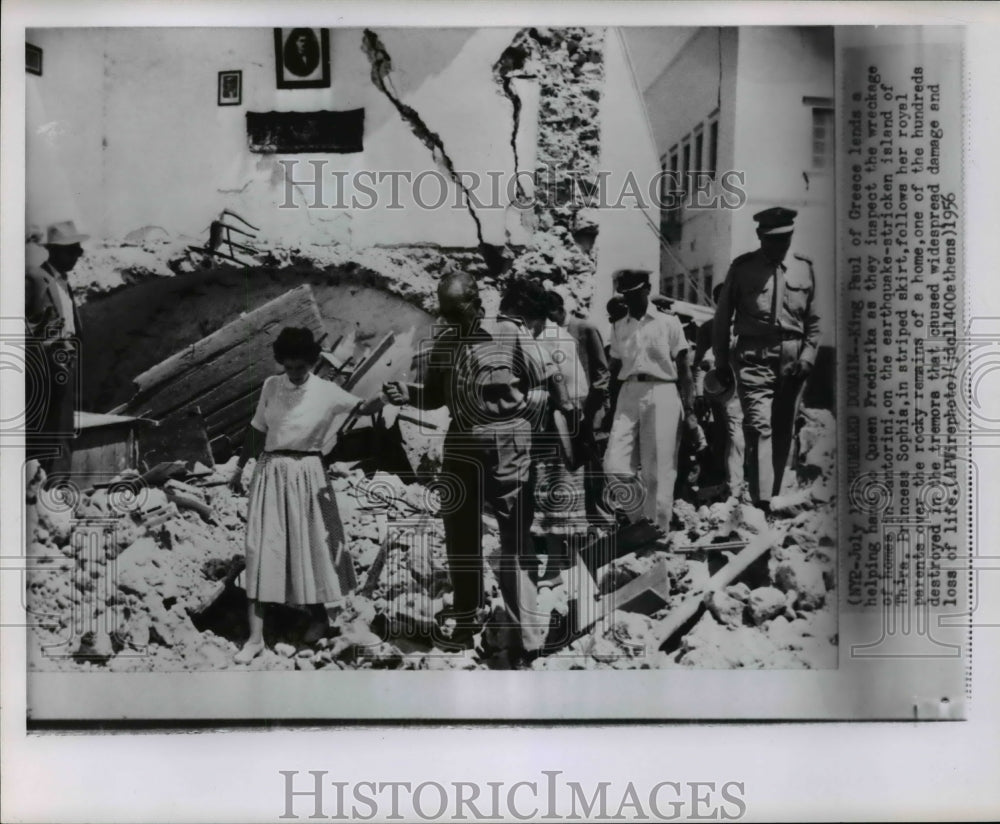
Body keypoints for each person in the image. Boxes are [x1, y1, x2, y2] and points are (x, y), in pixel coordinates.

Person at [383, 271, 553, 662]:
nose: (449, 320)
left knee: (513, 540)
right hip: (460, 444)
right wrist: (407, 394)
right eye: (444, 313)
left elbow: (543, 384)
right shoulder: (444, 342)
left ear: (478, 303)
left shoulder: (509, 334)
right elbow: (435, 397)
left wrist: (526, 429)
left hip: (505, 446)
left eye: (456, 311)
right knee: (460, 536)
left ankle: (525, 634)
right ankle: (466, 616)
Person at [228, 327, 381, 664]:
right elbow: (257, 430)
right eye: (289, 366)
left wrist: (386, 397)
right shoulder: (271, 385)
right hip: (271, 472)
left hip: (310, 474)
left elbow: (364, 408)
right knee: (263, 548)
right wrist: (239, 468)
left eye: (301, 366)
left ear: (313, 362)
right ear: (281, 362)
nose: (294, 373)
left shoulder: (327, 391)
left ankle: (320, 619)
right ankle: (255, 638)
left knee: (312, 547)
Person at [712, 206, 821, 511]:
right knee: (760, 426)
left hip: (793, 360)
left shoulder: (805, 268)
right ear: (760, 236)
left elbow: (816, 320)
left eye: (785, 239)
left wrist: (808, 357)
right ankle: (762, 504)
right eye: (773, 240)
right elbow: (722, 318)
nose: (779, 246)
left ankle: (770, 496)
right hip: (753, 357)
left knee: (783, 428)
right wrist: (722, 363)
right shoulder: (742, 268)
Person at [604, 269, 696, 536]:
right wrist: (611, 409)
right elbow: (614, 369)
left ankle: (658, 532)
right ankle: (640, 523)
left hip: (662, 390)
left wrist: (689, 411)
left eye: (634, 293)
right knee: (614, 465)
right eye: (625, 295)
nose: (629, 300)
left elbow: (684, 369)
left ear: (647, 289)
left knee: (657, 472)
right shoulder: (619, 325)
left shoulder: (669, 323)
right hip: (628, 391)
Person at [25, 220, 88, 477]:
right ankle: (43, 488)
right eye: (72, 249)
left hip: (65, 362)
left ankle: (57, 485)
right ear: (54, 251)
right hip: (46, 364)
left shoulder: (62, 281)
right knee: (47, 430)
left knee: (62, 427)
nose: (79, 254)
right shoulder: (36, 278)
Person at [547, 290, 613, 527]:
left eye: (549, 314)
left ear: (558, 310)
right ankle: (583, 517)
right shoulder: (550, 333)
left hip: (589, 408)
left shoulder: (585, 328)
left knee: (595, 464)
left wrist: (592, 407)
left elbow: (601, 372)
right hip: (567, 411)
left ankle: (604, 517)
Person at [694, 283, 746, 500]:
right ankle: (730, 484)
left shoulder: (749, 324)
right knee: (727, 435)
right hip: (722, 389)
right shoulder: (710, 328)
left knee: (738, 436)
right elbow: (701, 362)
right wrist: (699, 394)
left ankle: (737, 482)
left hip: (749, 386)